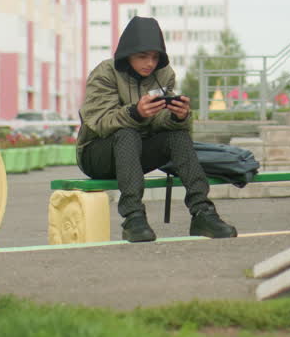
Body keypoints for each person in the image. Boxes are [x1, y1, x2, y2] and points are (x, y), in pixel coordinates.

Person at [77, 16, 238, 243]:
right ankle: (133, 218)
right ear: (127, 54)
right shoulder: (105, 73)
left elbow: (159, 122)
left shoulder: (164, 74)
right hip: (97, 154)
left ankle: (202, 213)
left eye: (154, 57)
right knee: (126, 132)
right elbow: (99, 122)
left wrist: (177, 116)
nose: (150, 63)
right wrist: (135, 113)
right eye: (142, 56)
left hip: (135, 154)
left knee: (177, 134)